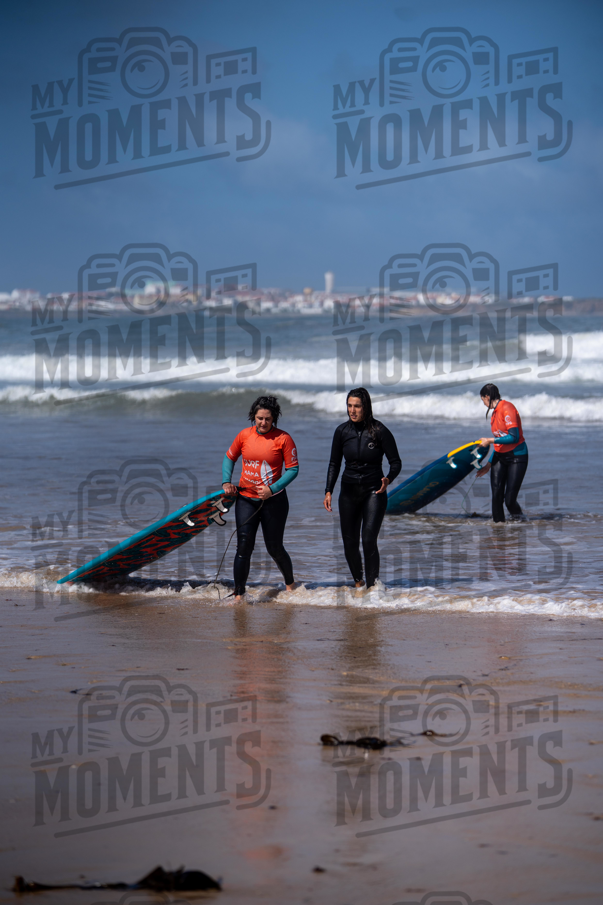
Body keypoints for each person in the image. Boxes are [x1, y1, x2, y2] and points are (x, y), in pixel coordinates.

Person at [222, 395, 299, 600]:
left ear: (274, 418)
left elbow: (293, 469)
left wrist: (272, 489)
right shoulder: (244, 436)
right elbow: (229, 457)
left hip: (274, 501)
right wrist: (226, 482)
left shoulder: (283, 438)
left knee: (274, 548)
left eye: (267, 419)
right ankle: (239, 595)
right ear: (253, 417)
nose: (263, 422)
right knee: (243, 545)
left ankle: (291, 586)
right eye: (259, 418)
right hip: (246, 499)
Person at [324, 387, 401, 590]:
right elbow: (334, 463)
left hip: (374, 491)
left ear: (365, 407)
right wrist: (328, 490)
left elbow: (396, 462)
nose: (352, 410)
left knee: (368, 539)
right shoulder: (342, 432)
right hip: (348, 492)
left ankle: (373, 588)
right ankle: (359, 583)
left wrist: (388, 479)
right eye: (349, 405)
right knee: (349, 542)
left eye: (357, 406)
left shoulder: (380, 431)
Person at [476, 383, 528, 523]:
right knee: (496, 496)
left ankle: (521, 523)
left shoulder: (507, 408)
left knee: (509, 500)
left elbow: (514, 437)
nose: (483, 403)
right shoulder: (494, 414)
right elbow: (500, 442)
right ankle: (499, 528)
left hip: (517, 456)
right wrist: (489, 464)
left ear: (487, 397)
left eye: (483, 400)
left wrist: (489, 440)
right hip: (500, 457)